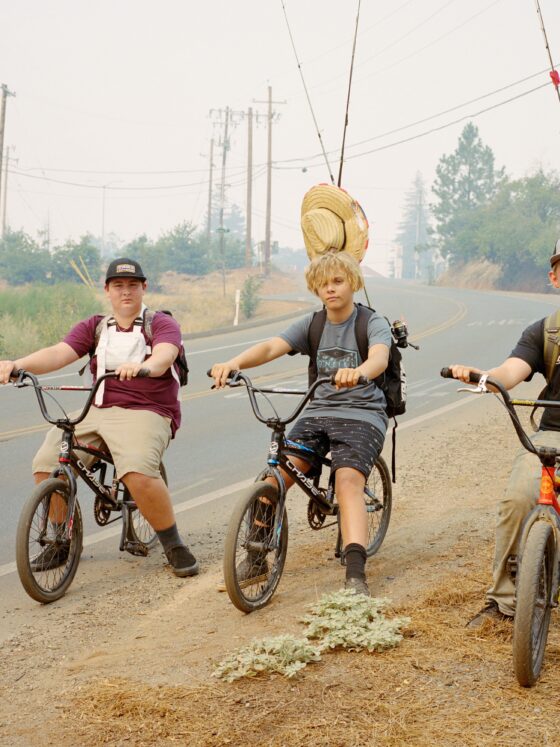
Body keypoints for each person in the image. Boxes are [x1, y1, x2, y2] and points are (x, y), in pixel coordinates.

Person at [0, 258, 198, 578]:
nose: (126, 292)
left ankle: (173, 543)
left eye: (133, 285)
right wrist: (16, 364)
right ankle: (61, 540)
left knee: (136, 470)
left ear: (144, 288)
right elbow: (58, 353)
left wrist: (145, 367)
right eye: (118, 286)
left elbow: (164, 356)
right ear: (107, 290)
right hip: (96, 408)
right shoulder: (95, 326)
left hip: (146, 411)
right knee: (47, 464)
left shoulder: (160, 323)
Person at [211, 250, 391, 596]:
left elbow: (379, 358)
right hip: (317, 412)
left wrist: (359, 372)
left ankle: (355, 574)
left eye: (338, 281)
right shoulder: (313, 324)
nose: (331, 289)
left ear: (352, 283)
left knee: (347, 481)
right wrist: (232, 363)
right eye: (323, 284)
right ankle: (256, 558)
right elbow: (269, 348)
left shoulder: (371, 323)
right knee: (274, 477)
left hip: (363, 414)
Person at [448, 239, 560, 627]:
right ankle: (504, 603)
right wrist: (486, 377)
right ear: (554, 277)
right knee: (517, 500)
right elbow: (512, 371)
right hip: (552, 436)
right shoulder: (544, 332)